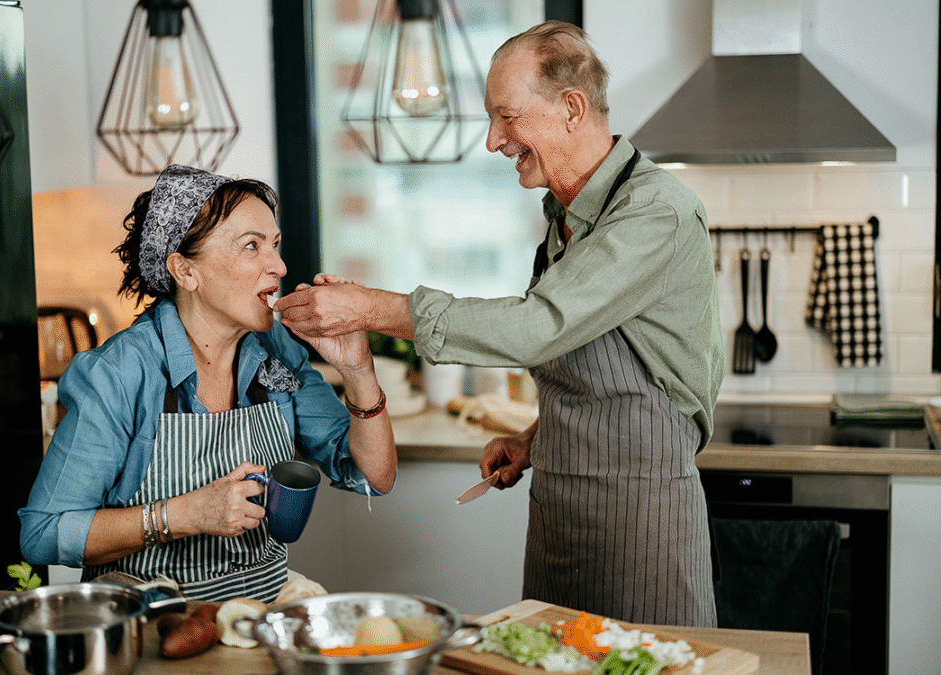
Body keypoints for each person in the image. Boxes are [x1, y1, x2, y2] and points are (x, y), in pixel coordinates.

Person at [275, 21, 722, 627]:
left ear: (571, 108)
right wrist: (536, 439)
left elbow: (538, 326)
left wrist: (370, 307)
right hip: (559, 514)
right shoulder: (565, 215)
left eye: (507, 117)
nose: (493, 141)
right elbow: (596, 362)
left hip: (640, 521)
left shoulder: (653, 211)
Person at [19, 165, 397, 602]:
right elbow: (43, 533)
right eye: (251, 246)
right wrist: (185, 514)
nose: (278, 265)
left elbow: (372, 475)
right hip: (155, 631)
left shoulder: (275, 349)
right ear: (185, 272)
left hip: (257, 618)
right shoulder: (119, 373)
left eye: (274, 244)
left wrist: (358, 367)